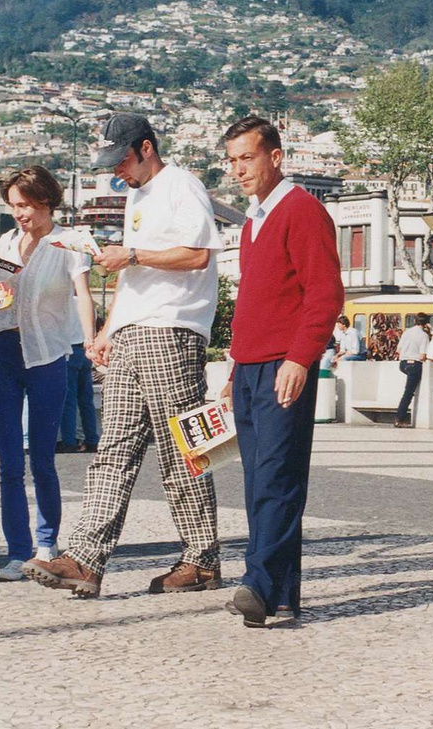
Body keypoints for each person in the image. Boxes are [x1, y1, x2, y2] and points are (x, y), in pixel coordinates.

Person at [24, 113, 222, 599]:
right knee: (113, 450)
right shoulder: (138, 194)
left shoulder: (182, 186)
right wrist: (110, 329)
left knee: (183, 450)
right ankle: (85, 559)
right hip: (136, 331)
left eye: (123, 160)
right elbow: (135, 280)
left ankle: (201, 559)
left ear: (147, 148)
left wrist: (131, 255)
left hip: (172, 330)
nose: (117, 172)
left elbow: (198, 254)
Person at [221, 116, 344, 627]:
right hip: (249, 366)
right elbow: (255, 301)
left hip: (282, 365)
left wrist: (300, 357)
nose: (238, 170)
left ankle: (259, 586)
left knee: (276, 476)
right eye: (231, 161)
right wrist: (232, 369)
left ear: (275, 157)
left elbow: (324, 293)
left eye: (246, 158)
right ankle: (285, 590)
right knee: (259, 480)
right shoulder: (254, 221)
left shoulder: (302, 211)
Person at [0, 166, 96, 582]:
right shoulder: (0, 246)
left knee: (43, 458)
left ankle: (46, 546)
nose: (20, 214)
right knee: (9, 460)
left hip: (48, 354)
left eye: (26, 205)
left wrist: (92, 340)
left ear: (47, 201)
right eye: (13, 206)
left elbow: (83, 295)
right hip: (5, 353)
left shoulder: (70, 242)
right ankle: (17, 551)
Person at [58, 319, 101, 454]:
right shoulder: (85, 304)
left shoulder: (67, 302)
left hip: (68, 350)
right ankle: (92, 439)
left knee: (68, 400)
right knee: (86, 400)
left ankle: (69, 441)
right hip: (84, 350)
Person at [394, 313, 431, 428]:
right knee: (408, 393)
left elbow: (398, 350)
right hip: (414, 364)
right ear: (426, 323)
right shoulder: (424, 335)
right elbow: (422, 356)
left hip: (403, 364)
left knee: (409, 391)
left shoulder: (407, 332)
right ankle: (399, 418)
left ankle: (401, 417)